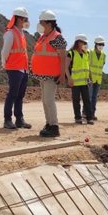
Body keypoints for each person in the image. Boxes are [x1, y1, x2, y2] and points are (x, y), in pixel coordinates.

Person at [30, 10, 68, 138]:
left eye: (41, 22)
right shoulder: (43, 37)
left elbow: (63, 57)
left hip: (52, 75)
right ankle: (49, 124)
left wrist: (62, 75)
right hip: (43, 75)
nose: (39, 24)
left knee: (49, 101)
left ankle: (54, 126)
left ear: (48, 23)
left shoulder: (57, 37)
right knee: (45, 101)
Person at [1, 7, 32, 129]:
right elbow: (5, 51)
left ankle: (19, 119)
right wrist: (4, 64)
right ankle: (7, 120)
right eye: (24, 18)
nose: (26, 21)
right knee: (12, 94)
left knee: (20, 95)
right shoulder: (10, 33)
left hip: (23, 68)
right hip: (14, 68)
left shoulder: (21, 33)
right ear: (18, 19)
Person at [67, 34, 93, 125]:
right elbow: (66, 67)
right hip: (75, 82)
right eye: (83, 42)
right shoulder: (71, 53)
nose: (85, 44)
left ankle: (89, 118)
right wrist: (69, 78)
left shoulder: (86, 53)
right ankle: (78, 118)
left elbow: (88, 67)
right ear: (78, 42)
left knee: (87, 101)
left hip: (85, 82)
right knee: (76, 101)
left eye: (85, 43)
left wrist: (90, 78)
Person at [86, 35, 106, 120]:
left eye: (102, 44)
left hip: (98, 79)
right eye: (99, 44)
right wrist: (88, 77)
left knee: (94, 97)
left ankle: (92, 114)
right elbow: (87, 65)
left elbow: (102, 65)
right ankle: (86, 113)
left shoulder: (104, 55)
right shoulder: (90, 52)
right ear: (95, 44)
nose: (101, 46)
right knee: (89, 96)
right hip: (90, 78)